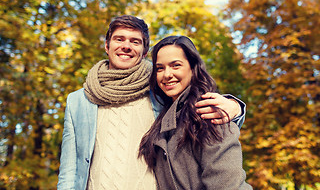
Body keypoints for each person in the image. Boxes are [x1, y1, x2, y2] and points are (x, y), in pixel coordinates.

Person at [57, 15, 247, 190]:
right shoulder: (78, 101)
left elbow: (194, 104)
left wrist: (235, 107)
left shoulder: (157, 89)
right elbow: (69, 170)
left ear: (145, 51)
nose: (126, 46)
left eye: (135, 41)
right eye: (119, 39)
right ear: (107, 46)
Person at [139, 36, 252, 189]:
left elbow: (227, 184)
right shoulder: (162, 116)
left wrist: (235, 106)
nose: (167, 74)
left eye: (176, 65)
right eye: (160, 68)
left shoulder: (208, 114)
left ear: (193, 68)